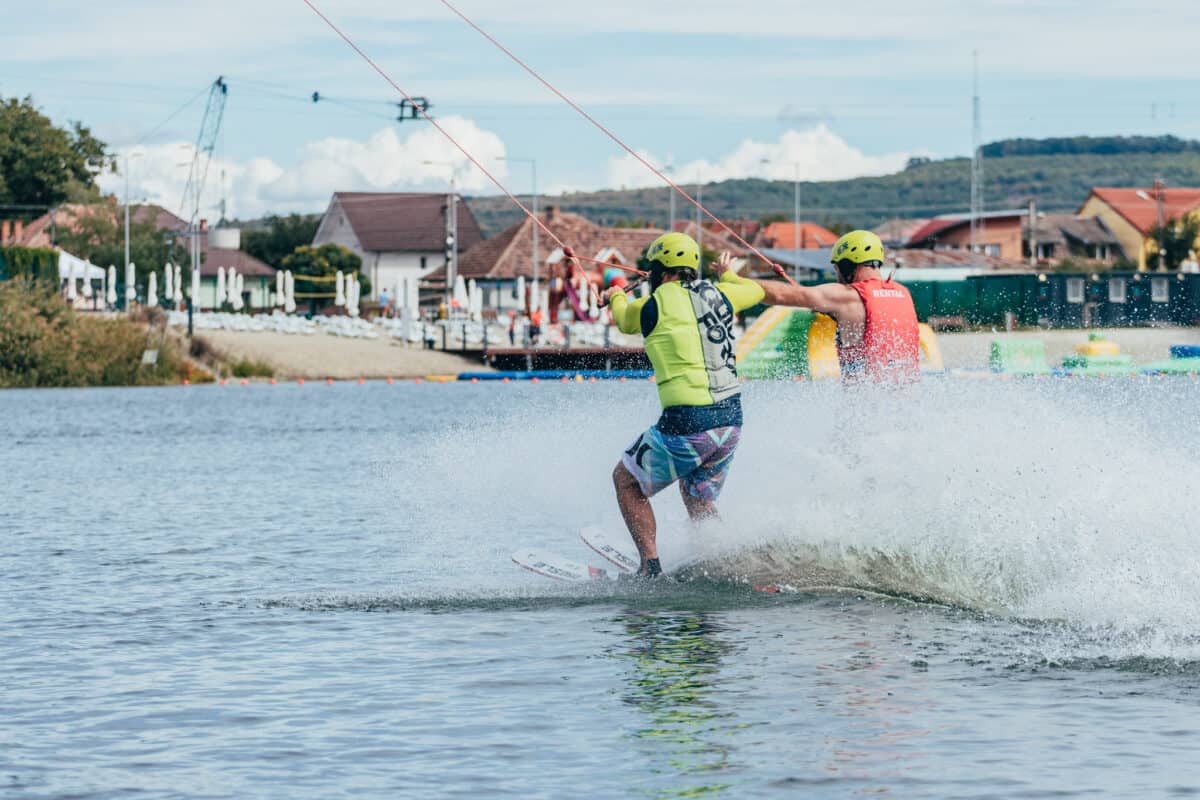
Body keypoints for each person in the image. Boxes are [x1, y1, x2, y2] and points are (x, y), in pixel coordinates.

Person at [599, 232, 765, 577]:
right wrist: (727, 275)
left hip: (687, 422)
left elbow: (625, 319)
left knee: (626, 481)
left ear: (659, 270)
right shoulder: (720, 292)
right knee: (698, 497)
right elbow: (757, 290)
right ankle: (723, 559)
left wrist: (615, 294)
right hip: (730, 422)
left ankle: (649, 567)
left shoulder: (653, 304)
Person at [714, 230, 918, 382]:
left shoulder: (847, 295)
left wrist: (731, 278)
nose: (837, 275)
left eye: (838, 267)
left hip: (866, 414)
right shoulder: (902, 293)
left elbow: (781, 294)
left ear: (848, 265)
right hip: (904, 409)